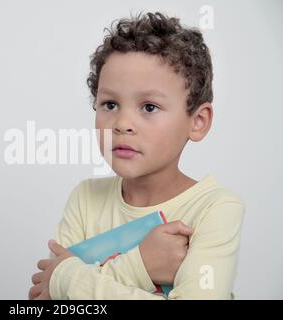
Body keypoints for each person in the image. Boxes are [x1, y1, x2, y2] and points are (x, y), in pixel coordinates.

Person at [29, 12, 245, 300]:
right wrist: (139, 265)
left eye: (149, 107)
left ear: (197, 121)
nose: (122, 123)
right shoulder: (85, 199)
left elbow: (60, 288)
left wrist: (67, 277)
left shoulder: (214, 208)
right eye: (110, 104)